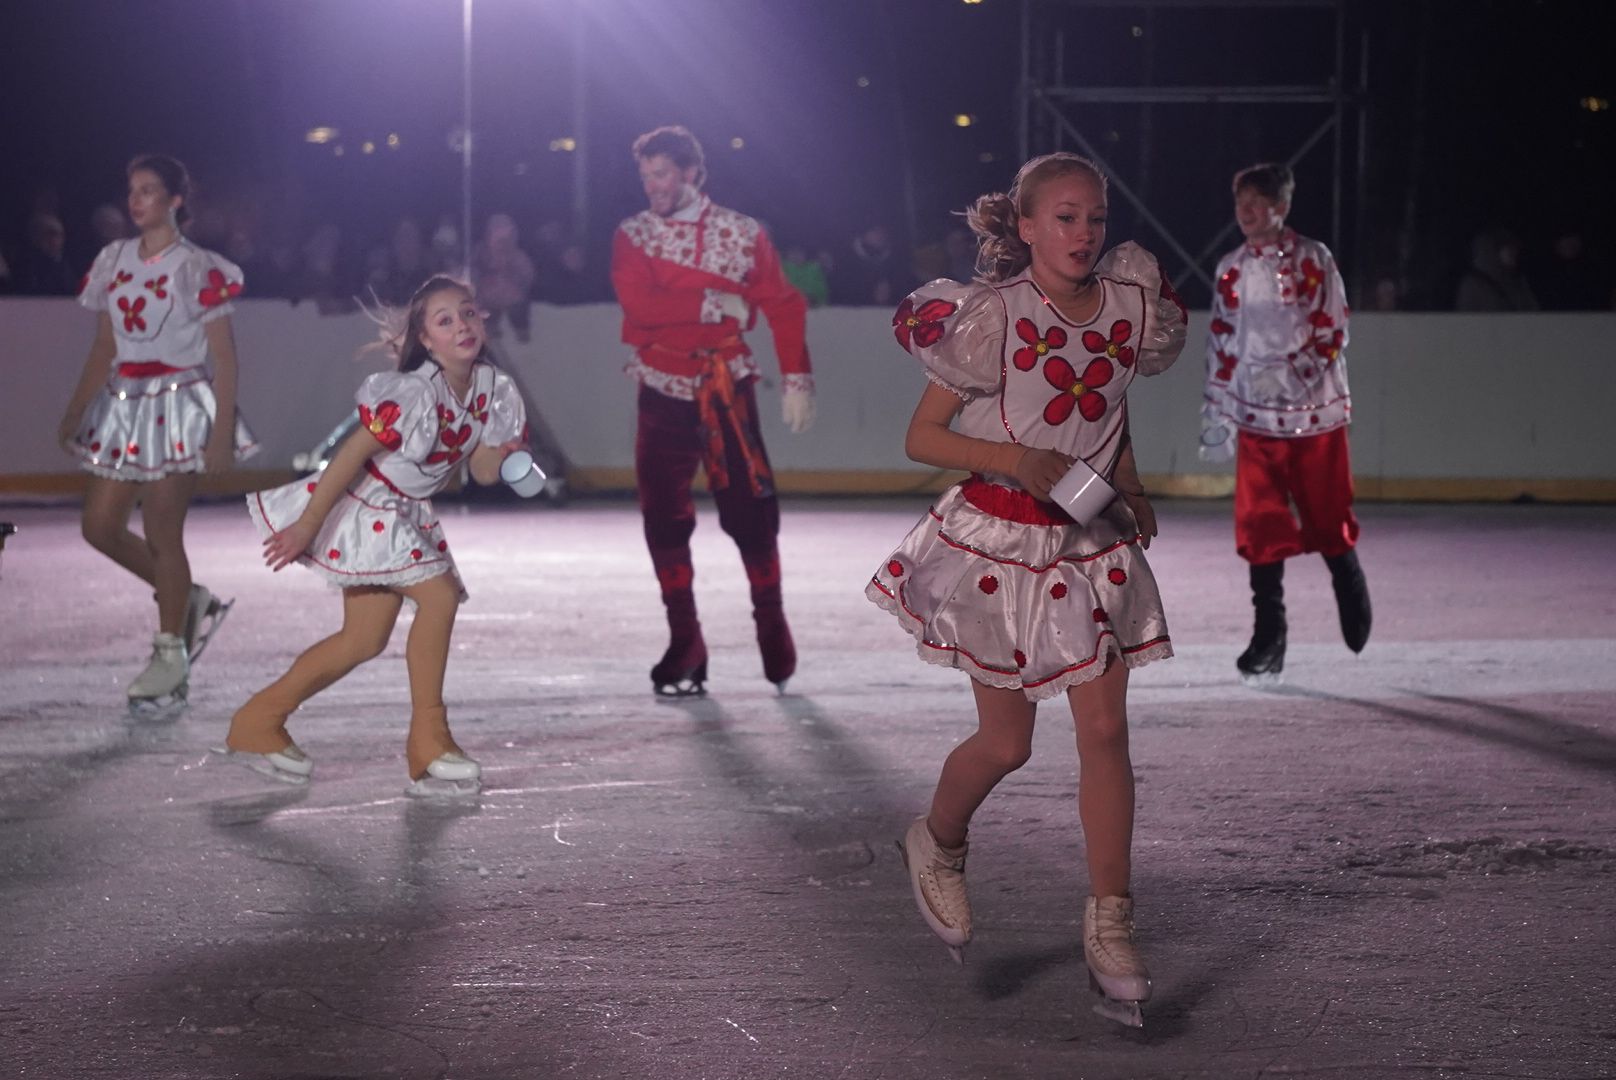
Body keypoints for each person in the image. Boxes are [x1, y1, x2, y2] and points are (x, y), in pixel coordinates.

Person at [866, 152, 1186, 1027]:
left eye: (1095, 218)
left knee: (1106, 729)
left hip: (1090, 542)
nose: (1084, 234)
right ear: (1030, 227)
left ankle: (1112, 920)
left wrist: (1131, 481)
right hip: (999, 545)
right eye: (1066, 218)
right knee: (1008, 745)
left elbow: (1106, 403)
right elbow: (922, 437)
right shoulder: (990, 318)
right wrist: (1019, 460)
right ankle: (938, 840)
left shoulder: (1131, 305)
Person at [216, 276, 528, 795]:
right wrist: (309, 524)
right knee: (440, 596)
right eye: (445, 320)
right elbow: (352, 453)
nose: (462, 326)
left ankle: (257, 721)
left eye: (468, 314)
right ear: (425, 340)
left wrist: (511, 454)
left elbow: (485, 470)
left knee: (361, 640)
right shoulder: (411, 392)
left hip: (405, 510)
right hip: (369, 505)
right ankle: (429, 739)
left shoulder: (494, 390)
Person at [610, 125, 815, 696]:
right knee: (661, 516)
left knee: (751, 507)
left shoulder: (741, 232)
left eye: (663, 175)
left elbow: (783, 303)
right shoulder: (633, 235)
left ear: (693, 174)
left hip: (725, 383)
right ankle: (685, 638)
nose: (652, 186)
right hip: (660, 385)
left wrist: (797, 374)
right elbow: (640, 306)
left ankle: (770, 620)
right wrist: (715, 301)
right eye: (646, 176)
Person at [56, 154, 254, 713]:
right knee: (99, 526)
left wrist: (219, 430)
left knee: (165, 533)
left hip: (181, 405)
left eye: (149, 190)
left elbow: (226, 358)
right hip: (124, 404)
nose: (136, 200)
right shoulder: (113, 259)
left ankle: (171, 654)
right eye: (132, 191)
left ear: (175, 200)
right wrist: (76, 411)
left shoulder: (195, 267)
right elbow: (104, 347)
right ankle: (186, 597)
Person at [1200, 162, 1370, 684]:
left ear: (1282, 207)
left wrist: (1293, 375)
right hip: (1256, 419)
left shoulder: (1312, 260)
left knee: (1326, 513)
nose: (1245, 214)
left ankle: (1348, 579)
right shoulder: (1230, 269)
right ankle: (1269, 635)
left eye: (1256, 204)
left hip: (1313, 416)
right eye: (1240, 205)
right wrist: (1217, 408)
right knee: (1260, 523)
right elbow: (1223, 341)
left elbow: (1332, 328)